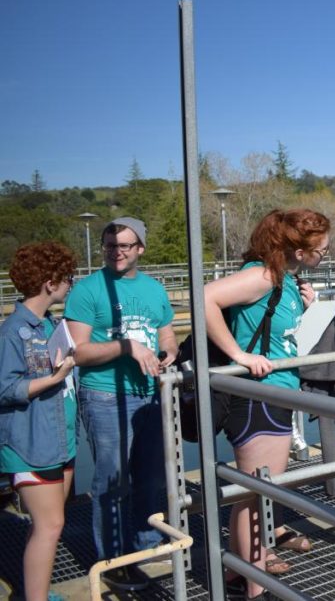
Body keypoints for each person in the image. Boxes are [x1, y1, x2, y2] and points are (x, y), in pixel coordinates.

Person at [204, 208, 329, 601]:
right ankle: (257, 587)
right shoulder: (262, 276)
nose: (323, 255)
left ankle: (239, 574)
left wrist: (304, 307)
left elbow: (278, 332)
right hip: (259, 397)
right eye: (320, 250)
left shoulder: (286, 282)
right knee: (255, 496)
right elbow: (205, 299)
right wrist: (239, 355)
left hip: (277, 393)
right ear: (297, 249)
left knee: (255, 494)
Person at [64, 218, 177, 592]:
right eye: (111, 246)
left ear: (140, 249)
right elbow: (77, 352)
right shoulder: (87, 290)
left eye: (126, 246)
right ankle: (112, 560)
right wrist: (127, 347)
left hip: (148, 395)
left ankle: (145, 547)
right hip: (104, 396)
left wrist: (168, 353)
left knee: (150, 478)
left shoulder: (153, 288)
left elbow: (166, 332)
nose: (118, 252)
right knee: (112, 481)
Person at [0, 242, 78, 601]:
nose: (70, 284)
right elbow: (5, 388)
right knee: (50, 525)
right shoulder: (13, 331)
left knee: (52, 524)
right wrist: (56, 375)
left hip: (59, 442)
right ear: (50, 282)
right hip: (32, 445)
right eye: (68, 278)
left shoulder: (50, 325)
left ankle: (39, 592)